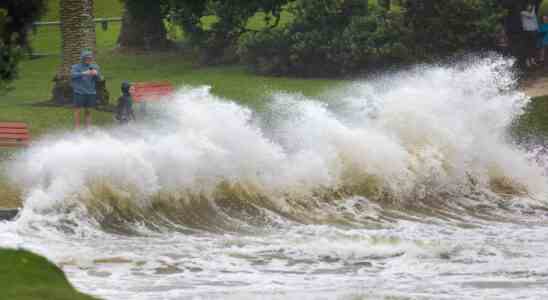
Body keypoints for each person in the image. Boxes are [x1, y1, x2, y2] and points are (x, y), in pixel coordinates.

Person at [71, 49, 102, 129]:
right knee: (77, 110)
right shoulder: (76, 67)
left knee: (88, 110)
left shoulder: (95, 67)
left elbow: (100, 79)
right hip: (79, 92)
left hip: (91, 92)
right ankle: (77, 127)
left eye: (90, 58)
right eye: (87, 58)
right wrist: (84, 73)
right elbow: (72, 76)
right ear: (82, 58)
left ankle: (88, 127)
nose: (89, 60)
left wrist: (96, 74)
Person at [521, 3, 540, 68]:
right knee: (528, 46)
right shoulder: (523, 12)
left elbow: (535, 21)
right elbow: (531, 16)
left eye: (531, 6)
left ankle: (532, 60)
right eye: (529, 6)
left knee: (533, 46)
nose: (530, 7)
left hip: (534, 31)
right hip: (527, 32)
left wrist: (537, 28)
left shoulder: (532, 12)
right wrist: (534, 8)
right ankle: (527, 61)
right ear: (526, 7)